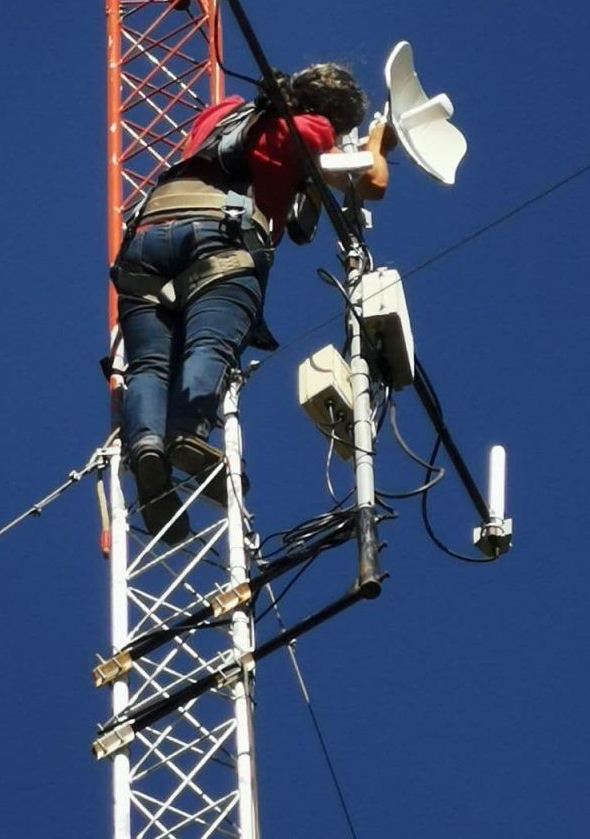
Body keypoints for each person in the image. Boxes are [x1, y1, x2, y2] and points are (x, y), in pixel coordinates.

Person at [113, 63, 391, 542]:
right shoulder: (311, 129)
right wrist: (374, 147)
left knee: (149, 365)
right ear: (334, 117)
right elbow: (372, 184)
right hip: (220, 241)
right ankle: (185, 435)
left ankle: (147, 452)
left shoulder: (225, 114)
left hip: (147, 239)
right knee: (210, 345)